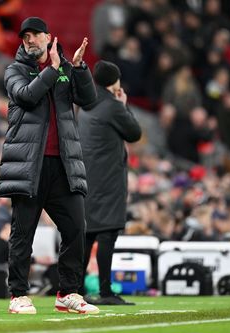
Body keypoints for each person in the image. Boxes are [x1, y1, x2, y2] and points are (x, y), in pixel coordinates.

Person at [0, 16, 99, 314]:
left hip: (64, 164)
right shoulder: (15, 70)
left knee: (75, 230)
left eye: (35, 35)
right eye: (25, 36)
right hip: (29, 164)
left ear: (48, 37)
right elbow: (27, 96)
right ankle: (18, 294)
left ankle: (67, 292)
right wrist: (54, 69)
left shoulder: (66, 69)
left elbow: (88, 99)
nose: (30, 40)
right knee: (23, 232)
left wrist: (79, 68)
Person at [77, 60, 141, 305]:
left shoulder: (86, 104)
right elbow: (134, 133)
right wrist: (123, 106)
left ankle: (75, 289)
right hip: (109, 179)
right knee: (107, 233)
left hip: (88, 177)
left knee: (88, 235)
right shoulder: (112, 106)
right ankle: (105, 291)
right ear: (114, 81)